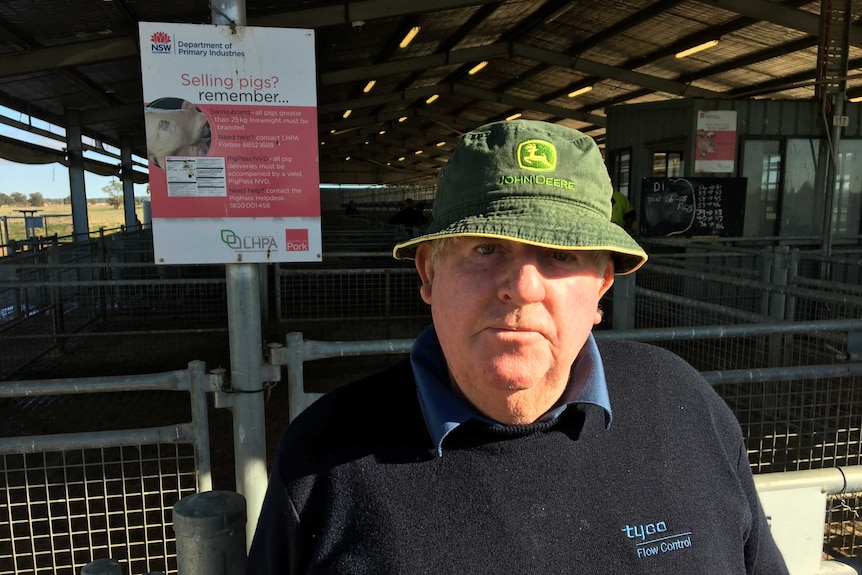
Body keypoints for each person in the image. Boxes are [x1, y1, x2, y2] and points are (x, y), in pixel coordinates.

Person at [246, 120, 789, 574]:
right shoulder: (325, 459)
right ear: (429, 272)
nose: (522, 286)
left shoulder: (685, 408)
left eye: (560, 254)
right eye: (485, 248)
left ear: (602, 284)